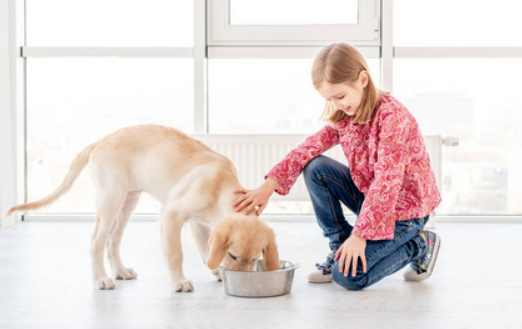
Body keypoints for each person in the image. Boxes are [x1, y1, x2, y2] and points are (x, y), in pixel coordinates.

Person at [232, 43, 442, 290]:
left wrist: (360, 235)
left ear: (363, 79)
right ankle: (339, 246)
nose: (336, 105)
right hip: (372, 203)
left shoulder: (393, 119)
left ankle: (421, 244)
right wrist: (269, 185)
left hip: (406, 213)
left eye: (340, 96)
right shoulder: (346, 115)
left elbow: (386, 183)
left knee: (349, 277)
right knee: (315, 167)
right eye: (328, 99)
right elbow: (308, 148)